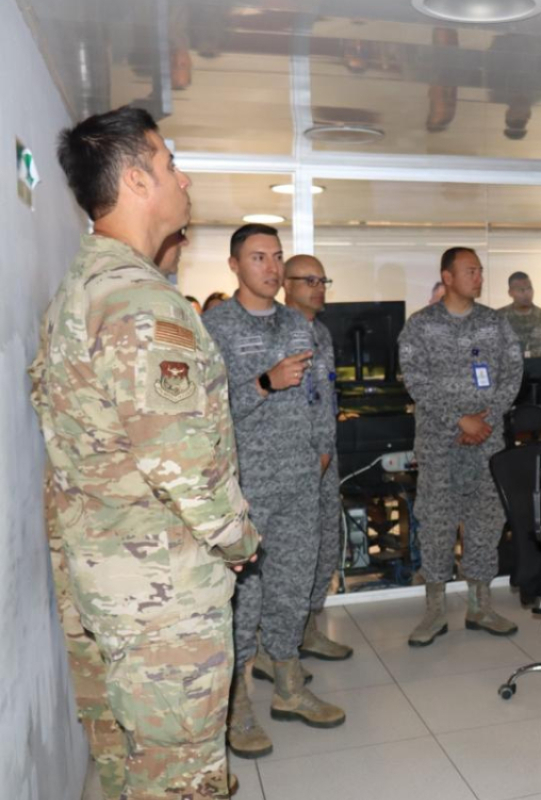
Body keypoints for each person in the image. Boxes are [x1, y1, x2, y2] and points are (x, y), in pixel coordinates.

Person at [30, 106, 259, 799]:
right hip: (163, 597)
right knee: (182, 777)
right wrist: (238, 538)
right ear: (135, 180)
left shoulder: (84, 287)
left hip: (111, 575)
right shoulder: (140, 304)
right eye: (169, 163)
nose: (182, 178)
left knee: (138, 765)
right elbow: (185, 462)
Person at [204, 224, 346, 759]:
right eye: (257, 257)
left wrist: (322, 446)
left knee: (291, 582)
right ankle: (238, 707)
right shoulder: (214, 326)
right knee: (244, 597)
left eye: (276, 257)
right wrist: (263, 383)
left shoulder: (298, 323)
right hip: (245, 487)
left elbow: (318, 391)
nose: (270, 266)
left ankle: (289, 687)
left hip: (300, 479)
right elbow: (204, 409)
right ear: (234, 265)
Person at [399, 246, 524, 646]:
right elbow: (416, 381)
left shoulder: (496, 324)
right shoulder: (419, 326)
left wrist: (485, 420)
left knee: (486, 522)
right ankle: (434, 610)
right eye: (470, 271)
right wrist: (459, 418)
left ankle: (479, 604)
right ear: (448, 277)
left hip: (487, 442)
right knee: (437, 523)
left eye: (480, 271)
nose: (479, 277)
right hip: (440, 444)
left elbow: (513, 373)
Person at [283, 254, 353, 661]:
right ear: (286, 285)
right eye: (308, 280)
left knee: (326, 545)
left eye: (322, 279)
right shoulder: (277, 331)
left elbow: (324, 396)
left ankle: (308, 630)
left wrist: (326, 449)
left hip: (326, 461)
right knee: (291, 556)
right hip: (290, 462)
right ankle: (279, 646)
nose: (318, 286)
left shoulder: (322, 333)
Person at [497, 270, 541, 357]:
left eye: (529, 288)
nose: (526, 293)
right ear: (510, 292)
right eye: (521, 290)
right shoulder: (498, 317)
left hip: (538, 369)